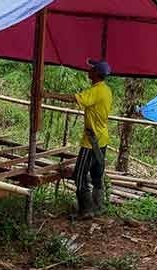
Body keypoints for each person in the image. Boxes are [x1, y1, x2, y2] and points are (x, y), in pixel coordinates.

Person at [45, 60, 113, 218]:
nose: (88, 70)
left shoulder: (95, 91)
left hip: (91, 141)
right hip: (102, 139)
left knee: (80, 175)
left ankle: (86, 210)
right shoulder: (106, 90)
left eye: (91, 69)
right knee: (97, 174)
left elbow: (74, 98)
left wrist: (48, 94)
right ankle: (98, 206)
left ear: (96, 73)